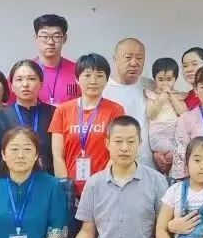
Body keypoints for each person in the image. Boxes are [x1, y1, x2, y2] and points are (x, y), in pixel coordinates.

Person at [49, 54, 125, 200]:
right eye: (87, 75)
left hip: (104, 188)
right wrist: (65, 186)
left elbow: (116, 152)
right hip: (70, 190)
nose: (93, 81)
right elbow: (57, 154)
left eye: (99, 75)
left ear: (106, 80)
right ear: (77, 79)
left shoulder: (116, 110)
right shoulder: (62, 110)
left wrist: (103, 184)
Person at [0, 60, 56, 183]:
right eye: (19, 79)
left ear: (41, 84)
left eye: (31, 79)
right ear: (12, 86)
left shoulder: (54, 113)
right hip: (8, 184)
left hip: (47, 183)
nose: (25, 84)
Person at [103, 38, 156, 170]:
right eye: (128, 57)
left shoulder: (151, 86)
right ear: (115, 58)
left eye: (139, 58)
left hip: (147, 164)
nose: (134, 63)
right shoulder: (103, 88)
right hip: (112, 165)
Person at [15, 14, 80, 105]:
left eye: (56, 37)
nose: (50, 42)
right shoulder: (22, 71)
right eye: (45, 37)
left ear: (64, 39)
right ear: (36, 38)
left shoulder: (78, 71)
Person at [146, 57, 187, 176]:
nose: (165, 83)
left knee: (178, 153)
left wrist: (171, 96)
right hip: (158, 135)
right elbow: (151, 114)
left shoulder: (179, 96)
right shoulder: (152, 95)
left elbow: (184, 113)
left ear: (175, 79)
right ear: (154, 79)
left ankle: (169, 170)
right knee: (173, 154)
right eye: (160, 80)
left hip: (174, 134)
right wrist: (161, 100)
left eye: (169, 79)